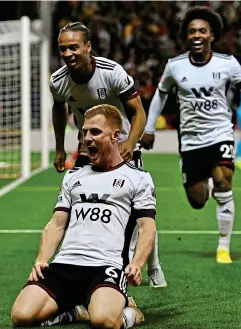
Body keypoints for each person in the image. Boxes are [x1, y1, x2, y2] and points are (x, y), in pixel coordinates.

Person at [141, 6, 241, 264]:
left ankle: (223, 246)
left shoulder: (227, 63)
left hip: (220, 134)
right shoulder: (175, 66)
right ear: (186, 37)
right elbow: (161, 94)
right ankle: (207, 181)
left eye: (202, 31)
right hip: (190, 140)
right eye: (192, 31)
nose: (197, 35)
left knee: (224, 182)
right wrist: (149, 129)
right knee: (197, 201)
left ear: (212, 35)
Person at [11, 105, 156, 329]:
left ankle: (131, 312)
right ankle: (76, 311)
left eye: (95, 132)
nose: (87, 138)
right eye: (85, 132)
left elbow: (147, 227)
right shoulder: (73, 176)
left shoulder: (138, 178)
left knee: (104, 322)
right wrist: (41, 259)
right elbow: (57, 224)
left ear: (115, 135)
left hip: (108, 265)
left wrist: (137, 264)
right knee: (22, 316)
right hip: (66, 264)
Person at [49, 22, 166, 288]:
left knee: (139, 211)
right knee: (79, 205)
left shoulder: (112, 72)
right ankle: (82, 260)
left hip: (122, 147)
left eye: (73, 47)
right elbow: (59, 111)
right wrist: (59, 147)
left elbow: (138, 112)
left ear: (88, 47)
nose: (67, 53)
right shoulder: (58, 81)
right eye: (63, 48)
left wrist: (131, 143)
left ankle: (153, 265)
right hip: (87, 149)